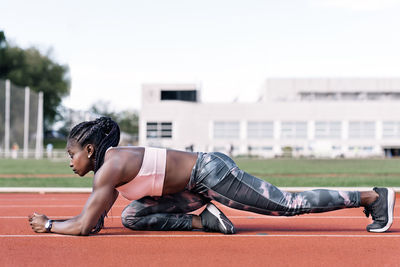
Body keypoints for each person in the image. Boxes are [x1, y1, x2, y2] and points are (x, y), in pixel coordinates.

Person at [29, 117, 396, 235]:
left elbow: (82, 227)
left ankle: (372, 198)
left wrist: (48, 225)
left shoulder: (110, 168)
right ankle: (204, 218)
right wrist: (74, 224)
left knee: (285, 205)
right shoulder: (109, 169)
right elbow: (93, 223)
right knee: (132, 216)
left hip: (210, 172)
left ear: (90, 151)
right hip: (190, 189)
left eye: (71, 154)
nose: (69, 161)